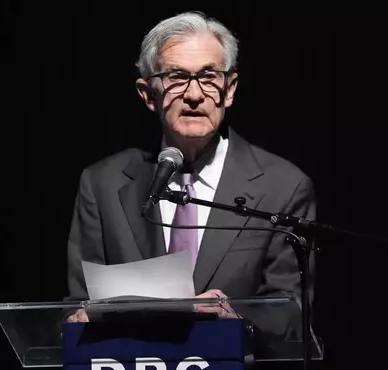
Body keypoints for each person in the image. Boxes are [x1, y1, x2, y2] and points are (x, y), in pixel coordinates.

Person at [66, 11, 317, 325]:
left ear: (230, 89)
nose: (195, 95)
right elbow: (78, 306)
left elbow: (286, 316)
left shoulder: (283, 187)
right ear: (148, 95)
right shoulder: (102, 184)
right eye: (177, 77)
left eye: (209, 77)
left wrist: (224, 318)